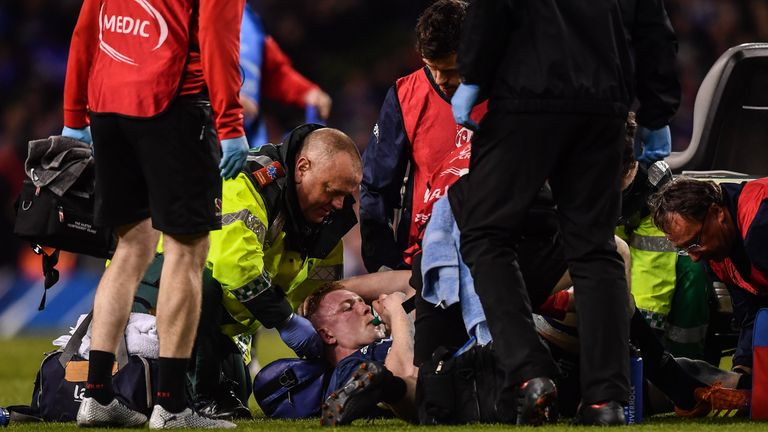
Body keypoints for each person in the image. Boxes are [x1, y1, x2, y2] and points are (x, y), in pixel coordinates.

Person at [449, 0, 680, 424]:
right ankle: (606, 401)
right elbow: (652, 25)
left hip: (525, 99)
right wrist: (656, 110)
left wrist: (474, 75)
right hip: (602, 106)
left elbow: (489, 10)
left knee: (484, 235)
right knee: (594, 250)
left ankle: (530, 371)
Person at [62, 0, 249, 428]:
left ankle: (96, 396)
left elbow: (86, 30)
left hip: (108, 109)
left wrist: (75, 115)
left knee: (131, 247)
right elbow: (220, 43)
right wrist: (232, 126)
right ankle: (172, 407)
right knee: (187, 252)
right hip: (173, 109)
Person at [359, 0, 487, 273]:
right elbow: (376, 188)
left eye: (451, 70)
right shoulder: (405, 96)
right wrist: (383, 264)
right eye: (432, 67)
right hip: (426, 258)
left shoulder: (511, 90)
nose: (440, 79)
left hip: (501, 250)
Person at [650, 177, 768, 389]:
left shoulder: (759, 225)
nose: (694, 258)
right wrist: (742, 370)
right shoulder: (720, 251)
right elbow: (752, 309)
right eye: (685, 249)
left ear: (717, 213)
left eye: (694, 243)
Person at [304, 284, 418, 426]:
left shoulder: (389, 341)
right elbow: (405, 372)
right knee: (376, 375)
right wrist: (398, 314)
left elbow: (410, 280)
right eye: (348, 308)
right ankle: (382, 385)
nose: (366, 308)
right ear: (328, 334)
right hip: (439, 386)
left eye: (362, 302)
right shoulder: (348, 367)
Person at [240, 2, 333, 147]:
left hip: (245, 141)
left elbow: (273, 71)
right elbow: (192, 67)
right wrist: (223, 98)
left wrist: (307, 92)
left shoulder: (248, 16)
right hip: (204, 137)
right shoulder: (197, 9)